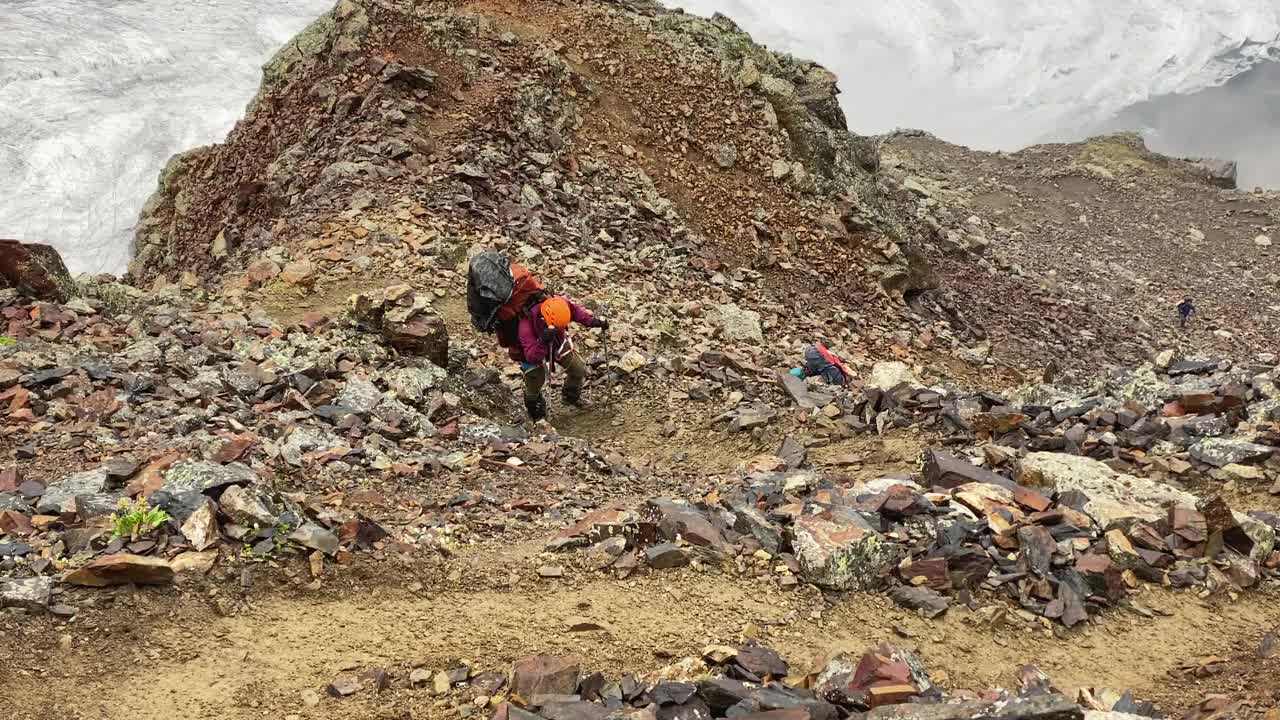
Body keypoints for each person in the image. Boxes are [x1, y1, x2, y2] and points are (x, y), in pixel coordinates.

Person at [518, 295, 608, 421]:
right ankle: (536, 412)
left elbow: (576, 311)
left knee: (578, 368)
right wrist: (543, 341)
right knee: (535, 383)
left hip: (557, 344)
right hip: (533, 353)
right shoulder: (525, 324)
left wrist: (593, 322)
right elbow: (532, 356)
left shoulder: (560, 304)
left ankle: (570, 397)